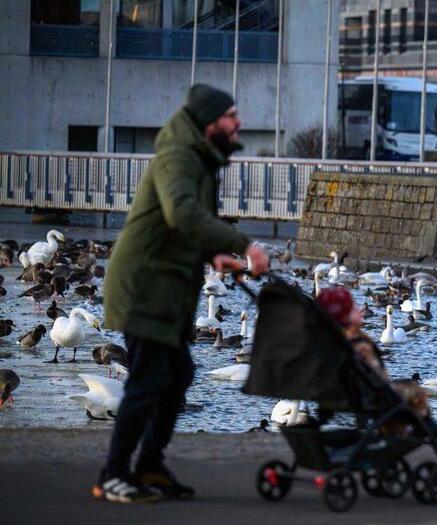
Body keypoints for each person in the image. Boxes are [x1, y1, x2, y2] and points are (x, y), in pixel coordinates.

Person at [96, 84, 270, 504]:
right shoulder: (178, 157)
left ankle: (149, 466)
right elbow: (182, 213)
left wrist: (213, 253)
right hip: (144, 287)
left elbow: (181, 226)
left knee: (177, 376)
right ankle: (114, 475)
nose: (239, 122)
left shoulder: (196, 158)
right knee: (149, 379)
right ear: (210, 122)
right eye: (231, 115)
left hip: (165, 288)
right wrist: (243, 245)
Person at [316, 287, 437, 437]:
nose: (358, 310)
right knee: (411, 388)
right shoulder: (357, 343)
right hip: (362, 396)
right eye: (352, 308)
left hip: (330, 397)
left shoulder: (323, 340)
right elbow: (376, 375)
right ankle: (424, 423)